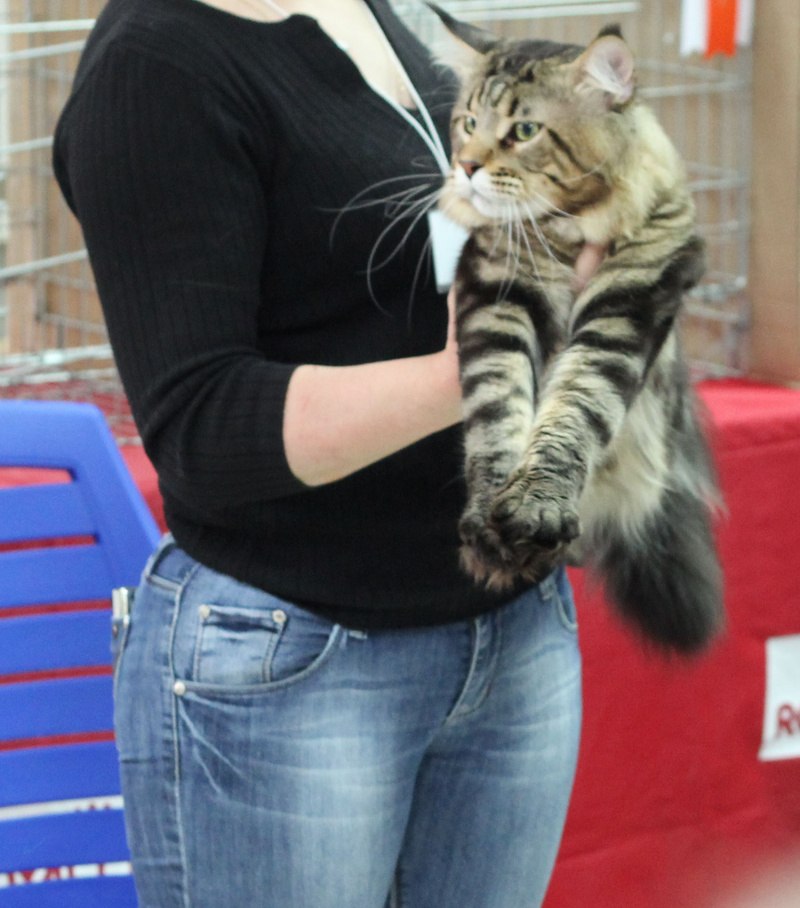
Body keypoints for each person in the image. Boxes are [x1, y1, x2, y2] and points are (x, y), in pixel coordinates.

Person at [53, 0, 582, 905]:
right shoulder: (153, 65)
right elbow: (202, 425)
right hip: (296, 658)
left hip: (509, 622)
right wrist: (466, 374)